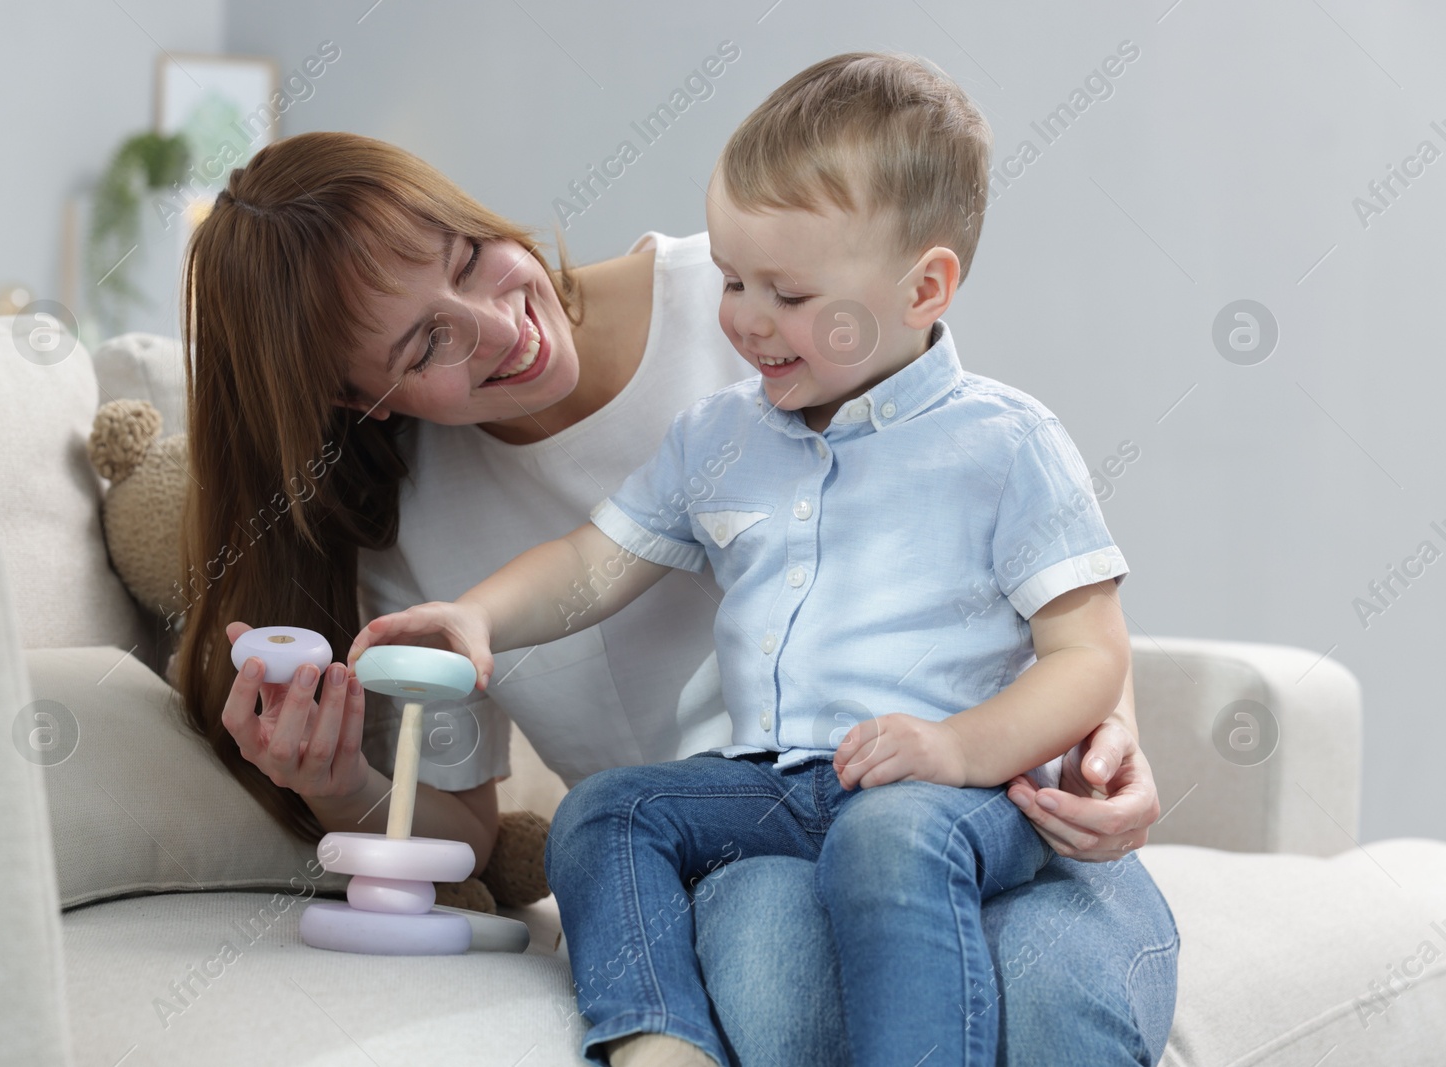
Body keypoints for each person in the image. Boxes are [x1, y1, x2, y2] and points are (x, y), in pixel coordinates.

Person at [177, 86, 1176, 1067]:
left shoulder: (822, 321)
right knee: (620, 830)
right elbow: (592, 564)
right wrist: (465, 629)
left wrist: (1092, 742)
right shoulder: (712, 432)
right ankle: (654, 1041)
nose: (497, 324)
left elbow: (1059, 610)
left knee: (1000, 943)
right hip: (756, 812)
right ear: (361, 402)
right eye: (425, 343)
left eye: (473, 259)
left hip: (960, 784)